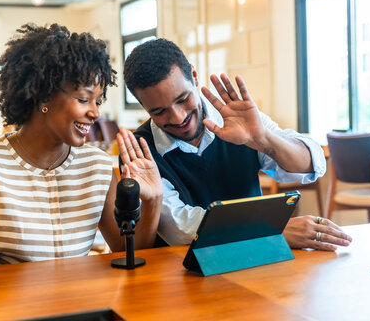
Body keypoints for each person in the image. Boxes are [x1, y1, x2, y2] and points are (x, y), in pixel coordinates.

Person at [0, 23, 162, 268]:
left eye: (98, 101)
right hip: (10, 305)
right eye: (84, 99)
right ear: (43, 96)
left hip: (83, 302)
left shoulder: (96, 167)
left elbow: (127, 254)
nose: (95, 113)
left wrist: (153, 201)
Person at [122, 38, 352, 251]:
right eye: (159, 111)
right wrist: (270, 230)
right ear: (144, 107)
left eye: (183, 99)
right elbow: (178, 227)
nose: (177, 117)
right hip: (181, 275)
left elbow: (311, 165)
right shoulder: (140, 152)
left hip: (256, 259)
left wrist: (263, 139)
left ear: (193, 74)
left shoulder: (236, 118)